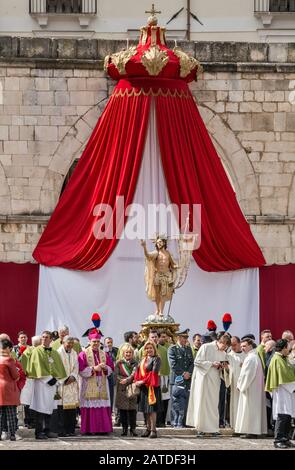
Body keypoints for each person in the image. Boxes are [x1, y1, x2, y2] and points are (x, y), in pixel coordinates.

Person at [186, 334, 231, 436]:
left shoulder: (223, 353)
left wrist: (223, 367)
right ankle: (200, 429)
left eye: (226, 348)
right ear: (221, 342)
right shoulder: (206, 347)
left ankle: (213, 429)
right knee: (202, 403)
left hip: (215, 381)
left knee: (213, 404)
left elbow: (223, 369)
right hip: (203, 380)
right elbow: (197, 362)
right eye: (224, 346)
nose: (224, 349)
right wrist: (211, 364)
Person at [26, 331, 67, 440]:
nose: (44, 339)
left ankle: (47, 430)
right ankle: (39, 432)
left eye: (46, 337)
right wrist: (48, 379)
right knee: (41, 408)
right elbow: (36, 367)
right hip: (41, 384)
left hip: (53, 386)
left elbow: (59, 367)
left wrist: (57, 380)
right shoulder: (36, 351)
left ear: (51, 339)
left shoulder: (54, 352)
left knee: (50, 407)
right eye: (42, 337)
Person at [78, 329, 113, 435]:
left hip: (102, 383)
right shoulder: (83, 354)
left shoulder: (104, 354)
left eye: (98, 341)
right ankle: (90, 429)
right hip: (89, 383)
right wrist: (94, 369)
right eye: (94, 341)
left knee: (102, 405)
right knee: (90, 406)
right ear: (89, 342)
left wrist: (105, 367)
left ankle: (103, 429)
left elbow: (111, 368)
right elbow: (81, 371)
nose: (96, 343)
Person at [265, 338, 295, 449]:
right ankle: (278, 439)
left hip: (288, 391)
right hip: (282, 391)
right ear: (283, 348)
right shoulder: (277, 359)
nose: (290, 349)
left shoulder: (284, 358)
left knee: (288, 416)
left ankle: (285, 439)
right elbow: (283, 377)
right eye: (288, 347)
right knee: (282, 415)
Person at [235, 338, 267, 438]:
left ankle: (251, 431)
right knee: (252, 409)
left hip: (250, 388)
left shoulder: (251, 358)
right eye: (241, 346)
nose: (242, 348)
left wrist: (240, 386)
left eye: (244, 346)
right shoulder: (254, 357)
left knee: (249, 409)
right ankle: (253, 430)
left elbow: (247, 375)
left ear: (250, 345)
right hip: (254, 388)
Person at [141, 237, 177, 317]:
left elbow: (172, 264)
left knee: (163, 294)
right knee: (157, 294)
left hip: (166, 276)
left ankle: (161, 311)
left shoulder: (168, 254)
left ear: (164, 243)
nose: (158, 243)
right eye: (157, 242)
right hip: (157, 275)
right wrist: (144, 247)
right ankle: (157, 309)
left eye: (160, 242)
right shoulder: (156, 253)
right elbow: (148, 256)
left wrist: (176, 266)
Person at [134, 341, 161, 438]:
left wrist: (142, 382)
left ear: (154, 349)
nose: (149, 350)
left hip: (152, 387)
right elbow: (137, 372)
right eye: (147, 348)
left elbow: (153, 373)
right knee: (146, 410)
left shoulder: (157, 359)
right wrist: (136, 381)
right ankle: (148, 429)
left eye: (151, 348)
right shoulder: (143, 360)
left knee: (152, 409)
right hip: (143, 388)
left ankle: (154, 430)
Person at [168, 329, 194, 427]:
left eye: (187, 337)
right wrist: (183, 373)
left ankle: (184, 422)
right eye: (184, 337)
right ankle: (175, 422)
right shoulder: (172, 349)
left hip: (187, 379)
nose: (186, 339)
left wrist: (189, 373)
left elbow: (192, 362)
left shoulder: (188, 349)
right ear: (178, 337)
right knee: (176, 401)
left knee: (186, 400)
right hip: (177, 380)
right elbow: (173, 364)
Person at [57, 336, 79, 436]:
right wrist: (65, 379)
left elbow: (76, 367)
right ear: (63, 342)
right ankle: (62, 430)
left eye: (71, 343)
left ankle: (71, 430)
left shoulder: (74, 353)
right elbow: (56, 367)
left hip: (72, 383)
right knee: (62, 409)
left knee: (72, 409)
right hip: (62, 384)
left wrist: (73, 377)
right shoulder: (58, 353)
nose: (70, 345)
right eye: (68, 343)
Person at [115, 344, 138, 437]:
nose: (128, 354)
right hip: (121, 388)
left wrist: (127, 380)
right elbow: (115, 374)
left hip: (132, 388)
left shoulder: (135, 363)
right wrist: (121, 380)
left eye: (130, 352)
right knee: (123, 411)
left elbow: (134, 374)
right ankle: (124, 429)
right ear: (123, 353)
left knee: (132, 411)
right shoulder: (119, 363)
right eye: (126, 352)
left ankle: (133, 429)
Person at [0, 339, 20, 441]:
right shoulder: (9, 359)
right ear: (7, 348)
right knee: (11, 412)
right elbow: (16, 375)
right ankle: (12, 434)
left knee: (1, 413)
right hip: (8, 387)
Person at [20, 335, 41, 429]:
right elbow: (23, 364)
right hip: (30, 379)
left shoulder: (41, 350)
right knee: (29, 400)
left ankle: (36, 420)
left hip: (40, 379)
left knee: (37, 399)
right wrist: (27, 373)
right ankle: (29, 421)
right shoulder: (28, 351)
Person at [227, 336, 246, 430]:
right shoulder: (229, 356)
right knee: (235, 405)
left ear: (239, 343)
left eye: (234, 345)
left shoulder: (246, 355)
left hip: (245, 386)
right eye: (231, 345)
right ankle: (235, 426)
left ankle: (244, 426)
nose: (233, 347)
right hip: (234, 385)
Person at [104, 337, 118, 412]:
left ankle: (112, 412)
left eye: (111, 342)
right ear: (105, 343)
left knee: (113, 395)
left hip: (114, 376)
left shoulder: (116, 351)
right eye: (108, 342)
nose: (109, 344)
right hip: (104, 377)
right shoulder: (102, 351)